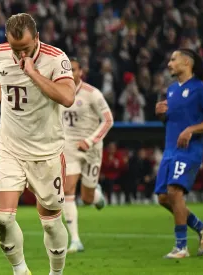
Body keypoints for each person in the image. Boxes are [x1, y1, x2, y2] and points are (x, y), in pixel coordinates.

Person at [0, 13, 75, 275]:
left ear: (37, 38)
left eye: (25, 49)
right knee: (3, 219)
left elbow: (67, 97)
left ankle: (56, 272)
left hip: (46, 151)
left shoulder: (56, 58)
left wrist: (33, 73)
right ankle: (20, 271)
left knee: (51, 223)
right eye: (15, 49)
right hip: (10, 147)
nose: (19, 55)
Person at [155, 48, 203, 259]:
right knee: (164, 198)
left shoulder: (201, 89)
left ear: (187, 63)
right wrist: (160, 114)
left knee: (174, 192)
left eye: (173, 59)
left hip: (188, 150)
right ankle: (202, 228)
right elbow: (172, 120)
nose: (169, 64)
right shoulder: (172, 90)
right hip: (170, 150)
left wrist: (191, 130)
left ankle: (181, 247)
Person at [61, 57, 113, 253]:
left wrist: (90, 141)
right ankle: (75, 240)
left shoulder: (92, 94)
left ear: (80, 72)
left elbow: (108, 120)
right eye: (66, 70)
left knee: (87, 197)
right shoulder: (58, 93)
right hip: (69, 147)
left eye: (73, 69)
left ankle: (96, 196)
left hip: (91, 148)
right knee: (67, 190)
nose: (69, 73)